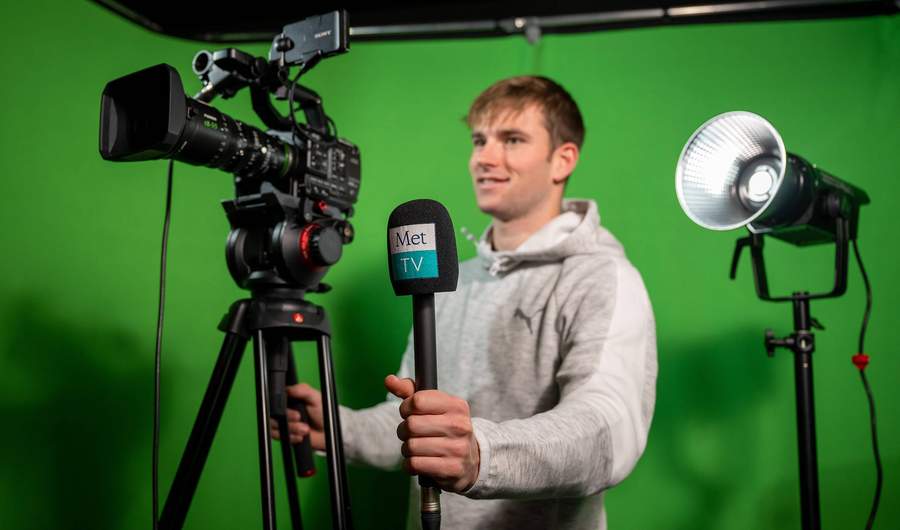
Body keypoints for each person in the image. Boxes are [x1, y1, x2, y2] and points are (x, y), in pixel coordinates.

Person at [273, 76, 658, 529]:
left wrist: (480, 454)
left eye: (512, 139)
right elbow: (419, 427)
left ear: (562, 159)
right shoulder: (452, 280)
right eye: (480, 140)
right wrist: (339, 429)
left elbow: (607, 429)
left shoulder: (602, 276)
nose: (485, 158)